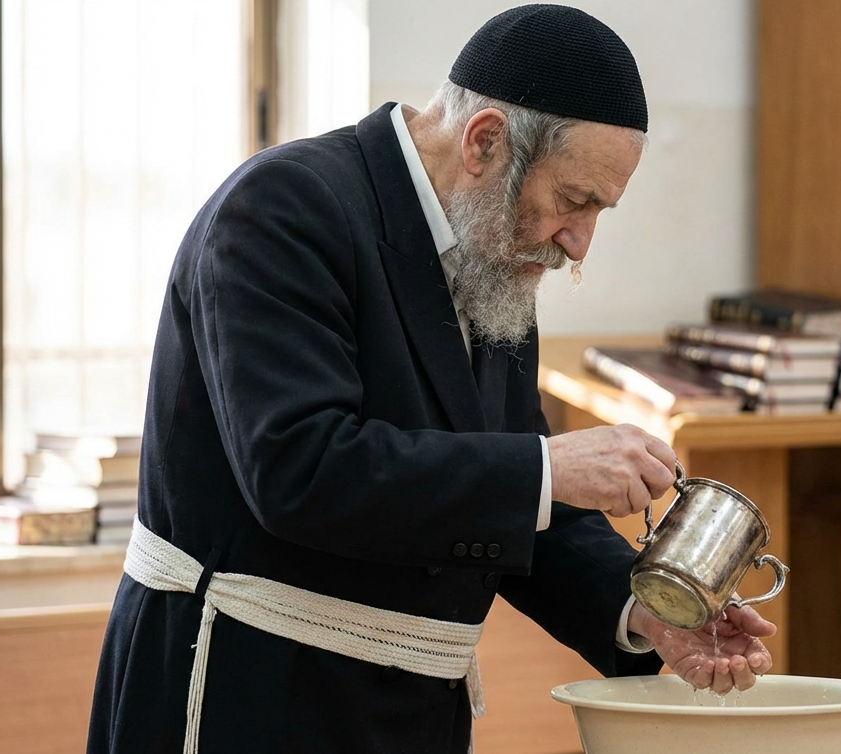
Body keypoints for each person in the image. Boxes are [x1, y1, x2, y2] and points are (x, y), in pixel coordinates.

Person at [87, 6, 775, 753]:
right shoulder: (284, 207)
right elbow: (298, 467)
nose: (579, 243)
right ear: (485, 141)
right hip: (251, 689)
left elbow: (513, 508)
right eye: (573, 201)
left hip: (411, 712)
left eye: (598, 211)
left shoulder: (491, 258)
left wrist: (644, 612)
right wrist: (549, 469)